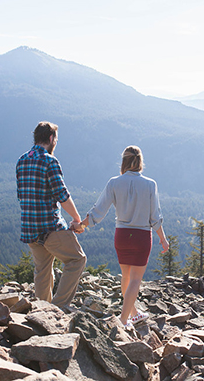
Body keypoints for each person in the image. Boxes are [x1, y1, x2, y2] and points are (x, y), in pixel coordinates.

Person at [81, 145, 169, 328]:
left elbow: (99, 210)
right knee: (136, 279)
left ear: (124, 161)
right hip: (141, 237)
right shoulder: (150, 184)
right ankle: (123, 319)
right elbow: (155, 217)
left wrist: (82, 225)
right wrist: (162, 238)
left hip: (121, 235)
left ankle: (134, 313)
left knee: (126, 277)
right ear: (140, 162)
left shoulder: (114, 182)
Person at [16, 121, 86, 308]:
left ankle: (41, 312)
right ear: (50, 138)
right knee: (77, 260)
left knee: (43, 271)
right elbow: (62, 195)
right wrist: (77, 219)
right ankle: (58, 307)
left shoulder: (21, 160)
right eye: (56, 138)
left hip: (30, 228)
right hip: (50, 227)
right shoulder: (49, 161)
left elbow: (21, 194)